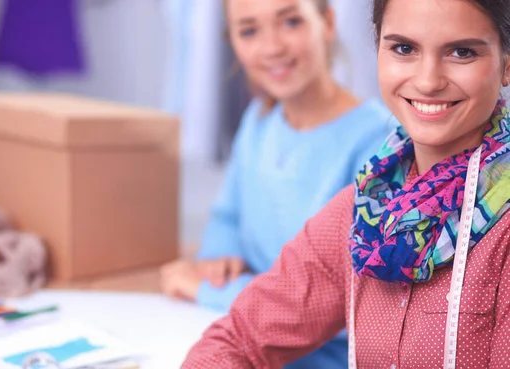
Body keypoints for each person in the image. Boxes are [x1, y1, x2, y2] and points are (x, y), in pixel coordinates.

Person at [181, 0, 510, 367]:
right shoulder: (366, 208)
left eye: (462, 52)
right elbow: (238, 339)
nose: (428, 81)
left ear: (506, 64)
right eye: (404, 48)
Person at [160, 0, 393, 367]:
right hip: (245, 333)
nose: (272, 48)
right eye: (249, 30)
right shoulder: (258, 121)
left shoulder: (378, 144)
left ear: (327, 23)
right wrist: (220, 255)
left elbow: (349, 304)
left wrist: (209, 290)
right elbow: (227, 216)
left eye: (291, 22)